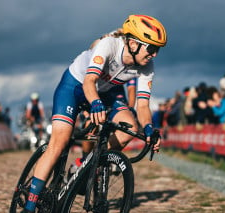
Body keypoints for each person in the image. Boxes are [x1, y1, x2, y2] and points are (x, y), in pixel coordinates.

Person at [22, 14, 166, 212]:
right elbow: (89, 81)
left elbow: (142, 105)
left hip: (106, 92)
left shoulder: (147, 66)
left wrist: (149, 129)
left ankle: (87, 163)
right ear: (133, 43)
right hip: (75, 87)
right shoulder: (109, 45)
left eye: (157, 49)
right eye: (151, 48)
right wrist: (96, 104)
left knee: (129, 129)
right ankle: (30, 206)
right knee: (59, 142)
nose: (154, 54)